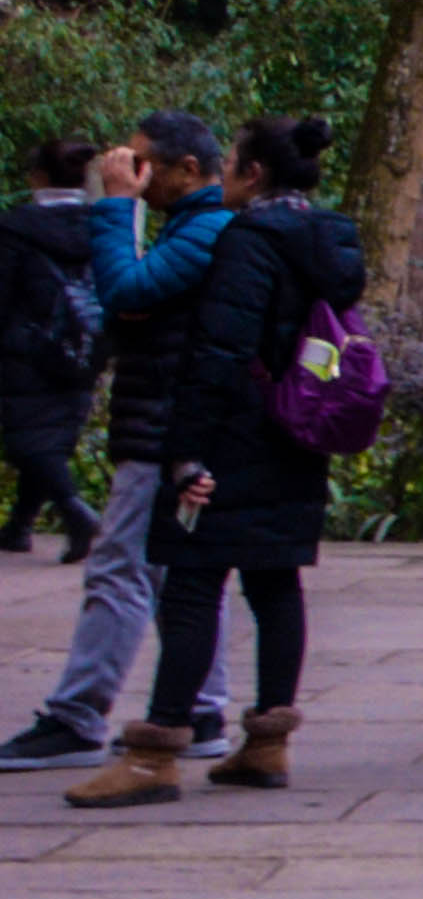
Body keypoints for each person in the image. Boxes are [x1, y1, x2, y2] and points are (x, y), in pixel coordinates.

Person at [63, 115, 361, 808]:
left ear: (253, 175)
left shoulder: (246, 241)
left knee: (193, 584)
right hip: (297, 429)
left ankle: (154, 755)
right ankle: (267, 744)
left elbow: (220, 351)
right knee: (276, 583)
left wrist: (186, 451)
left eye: (229, 164)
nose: (221, 174)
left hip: (232, 437)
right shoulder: (329, 239)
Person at [0, 117, 235, 769]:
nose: (134, 172)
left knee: (117, 568)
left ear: (189, 168)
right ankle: (202, 710)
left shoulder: (204, 227)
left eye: (145, 162)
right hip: (164, 419)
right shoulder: (189, 226)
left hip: (162, 424)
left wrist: (116, 205)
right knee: (171, 573)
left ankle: (78, 716)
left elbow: (123, 291)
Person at [1, 134, 100, 562]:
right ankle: (20, 525)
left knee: (28, 441)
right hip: (87, 344)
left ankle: (76, 513)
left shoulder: (15, 226)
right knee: (50, 441)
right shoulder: (102, 224)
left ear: (38, 177)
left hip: (27, 348)